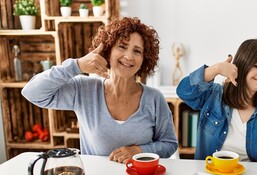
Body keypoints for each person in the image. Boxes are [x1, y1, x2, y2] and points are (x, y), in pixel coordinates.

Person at [22, 17, 178, 163]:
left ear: (144, 59)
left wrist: (139, 151)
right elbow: (32, 92)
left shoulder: (154, 98)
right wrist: (76, 66)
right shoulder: (84, 89)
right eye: (122, 46)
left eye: (137, 51)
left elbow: (169, 144)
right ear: (108, 51)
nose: (129, 56)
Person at [176, 39, 257, 163]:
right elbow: (184, 91)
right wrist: (217, 69)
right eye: (256, 66)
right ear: (242, 65)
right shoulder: (213, 96)